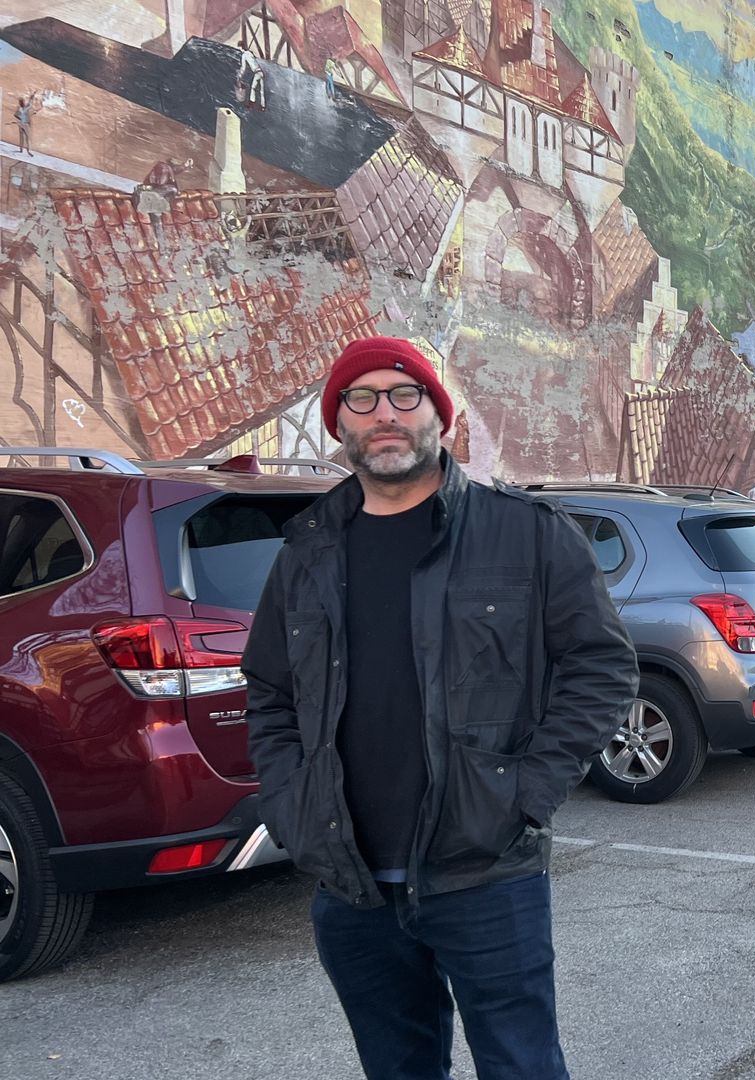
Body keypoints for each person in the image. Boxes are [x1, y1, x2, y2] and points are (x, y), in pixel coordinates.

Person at [244, 337, 637, 1080]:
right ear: (339, 426)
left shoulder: (526, 534)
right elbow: (268, 691)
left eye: (404, 395)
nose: (384, 413)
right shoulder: (307, 552)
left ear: (440, 417)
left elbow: (602, 665)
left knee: (522, 1067)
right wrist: (289, 804)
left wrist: (527, 794)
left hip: (485, 872)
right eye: (361, 399)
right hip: (353, 883)